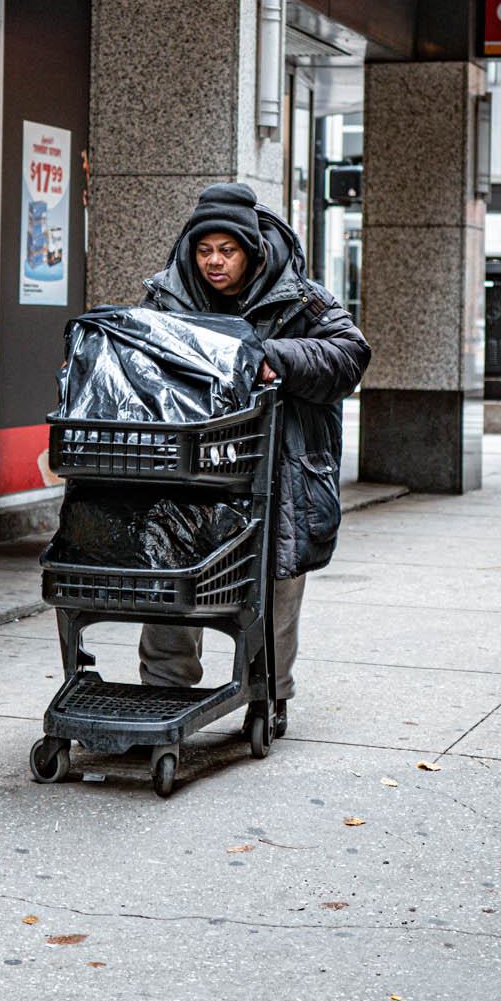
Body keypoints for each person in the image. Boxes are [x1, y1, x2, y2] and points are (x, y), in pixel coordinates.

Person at [134, 183, 371, 739]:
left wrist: (274, 357)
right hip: (192, 472)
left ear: (253, 249)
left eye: (227, 249)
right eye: (204, 250)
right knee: (172, 576)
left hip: (279, 468)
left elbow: (350, 354)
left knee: (275, 585)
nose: (214, 261)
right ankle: (164, 692)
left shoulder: (301, 299)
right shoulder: (167, 298)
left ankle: (268, 694)